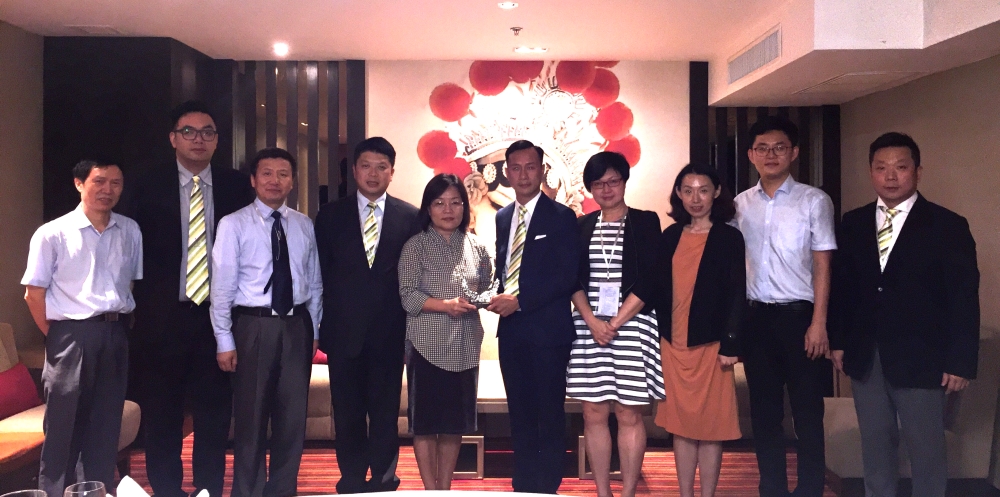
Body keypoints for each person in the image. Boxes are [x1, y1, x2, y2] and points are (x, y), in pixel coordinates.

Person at [830, 132, 980, 497]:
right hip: (866, 355)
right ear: (871, 172)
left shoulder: (948, 225)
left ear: (918, 171)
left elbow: (963, 297)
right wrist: (838, 341)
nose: (890, 176)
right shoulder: (854, 222)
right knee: (875, 447)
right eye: (881, 168)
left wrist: (960, 361)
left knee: (925, 450)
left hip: (923, 356)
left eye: (900, 167)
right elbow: (843, 289)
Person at [117, 100, 254, 497]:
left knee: (214, 416)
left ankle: (208, 489)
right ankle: (168, 491)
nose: (198, 139)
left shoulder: (235, 186)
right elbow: (126, 250)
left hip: (218, 321)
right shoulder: (145, 184)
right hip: (160, 319)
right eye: (189, 132)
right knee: (162, 416)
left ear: (217, 140)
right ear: (173, 138)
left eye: (207, 132)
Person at [623, 164, 745, 497]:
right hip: (673, 343)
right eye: (688, 190)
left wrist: (731, 343)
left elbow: (737, 292)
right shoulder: (672, 235)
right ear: (678, 193)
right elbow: (652, 285)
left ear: (716, 193)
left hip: (712, 346)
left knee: (711, 428)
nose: (696, 198)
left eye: (703, 190)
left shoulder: (729, 237)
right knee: (682, 427)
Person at [22, 159, 142, 497]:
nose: (108, 190)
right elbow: (33, 294)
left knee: (105, 427)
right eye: (99, 181)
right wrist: (57, 335)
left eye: (115, 183)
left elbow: (129, 284)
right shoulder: (52, 233)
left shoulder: (130, 230)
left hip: (115, 333)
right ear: (79, 184)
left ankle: (96, 492)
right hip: (70, 335)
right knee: (63, 427)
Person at [733, 115, 837, 497]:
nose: (770, 154)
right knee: (765, 415)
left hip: (800, 319)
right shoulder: (740, 204)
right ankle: (772, 489)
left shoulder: (814, 200)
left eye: (779, 147)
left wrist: (819, 323)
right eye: (762, 148)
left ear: (793, 152)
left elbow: (823, 264)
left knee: (808, 413)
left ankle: (809, 489)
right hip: (756, 319)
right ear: (750, 155)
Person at [209, 148, 323, 497]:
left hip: (296, 326)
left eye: (283, 174)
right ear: (253, 180)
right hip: (252, 327)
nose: (275, 180)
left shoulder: (303, 224)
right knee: (251, 418)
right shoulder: (233, 224)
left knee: (292, 420)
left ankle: (283, 491)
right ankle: (249, 492)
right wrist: (224, 340)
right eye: (267, 173)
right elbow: (222, 286)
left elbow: (314, 282)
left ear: (293, 181)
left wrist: (314, 331)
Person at [314, 137, 420, 493]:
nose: (373, 174)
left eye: (381, 167)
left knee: (386, 414)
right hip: (343, 333)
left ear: (392, 172)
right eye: (366, 166)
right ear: (354, 171)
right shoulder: (330, 216)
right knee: (347, 414)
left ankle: (385, 479)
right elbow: (319, 275)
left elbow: (413, 277)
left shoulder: (410, 217)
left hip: (390, 333)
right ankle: (352, 479)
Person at [565, 151, 665, 497]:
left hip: (632, 327)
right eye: (598, 184)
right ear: (589, 188)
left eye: (613, 181)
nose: (606, 189)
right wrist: (593, 321)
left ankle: (628, 492)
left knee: (628, 413)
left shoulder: (645, 222)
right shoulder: (581, 226)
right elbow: (572, 278)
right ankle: (603, 491)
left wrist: (616, 321)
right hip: (588, 327)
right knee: (593, 412)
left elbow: (650, 278)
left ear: (624, 181)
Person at [487, 139, 581, 494]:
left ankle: (547, 487)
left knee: (549, 414)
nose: (523, 175)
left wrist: (520, 302)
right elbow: (504, 269)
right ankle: (523, 485)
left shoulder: (561, 217)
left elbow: (566, 276)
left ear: (542, 170)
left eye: (530, 167)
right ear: (506, 172)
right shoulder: (502, 217)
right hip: (511, 333)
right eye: (516, 168)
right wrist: (491, 294)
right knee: (520, 414)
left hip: (549, 334)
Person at [397, 173, 494, 490]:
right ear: (428, 208)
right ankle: (430, 490)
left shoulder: (477, 246)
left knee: (454, 425)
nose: (448, 210)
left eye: (455, 203)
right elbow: (408, 296)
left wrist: (484, 299)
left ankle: (445, 489)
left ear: (465, 207)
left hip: (465, 346)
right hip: (425, 345)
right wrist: (445, 306)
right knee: (425, 426)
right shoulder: (415, 246)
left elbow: (488, 288)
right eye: (439, 203)